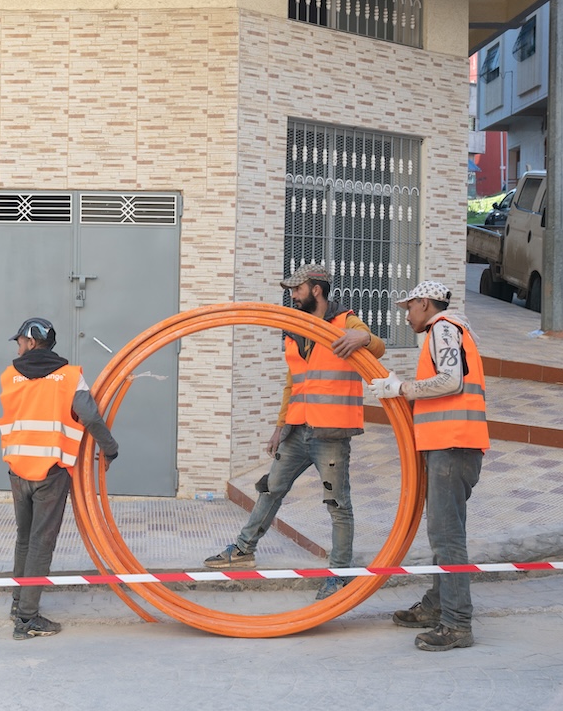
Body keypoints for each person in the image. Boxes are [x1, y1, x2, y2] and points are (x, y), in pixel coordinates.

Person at [203, 263, 385, 599]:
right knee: (271, 488)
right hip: (298, 429)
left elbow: (377, 348)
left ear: (316, 289)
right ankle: (244, 549)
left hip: (331, 432)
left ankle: (340, 575)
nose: (292, 295)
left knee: (337, 504)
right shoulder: (294, 328)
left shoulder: (345, 322)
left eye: (297, 289)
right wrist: (279, 428)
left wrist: (364, 336)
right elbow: (293, 383)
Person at [368, 281, 488, 652]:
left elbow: (450, 382)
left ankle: (456, 624)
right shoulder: (454, 331)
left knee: (446, 536)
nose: (406, 316)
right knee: (447, 532)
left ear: (424, 303)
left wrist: (400, 389)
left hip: (452, 446)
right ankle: (438, 604)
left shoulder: (444, 329)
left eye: (409, 308)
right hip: (454, 446)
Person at [0, 317, 120, 640]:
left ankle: (18, 604)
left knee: (24, 538)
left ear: (32, 341)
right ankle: (26, 619)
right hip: (50, 473)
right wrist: (109, 450)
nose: (17, 347)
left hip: (17, 471)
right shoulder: (69, 378)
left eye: (20, 341)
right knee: (41, 542)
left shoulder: (9, 376)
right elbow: (90, 415)